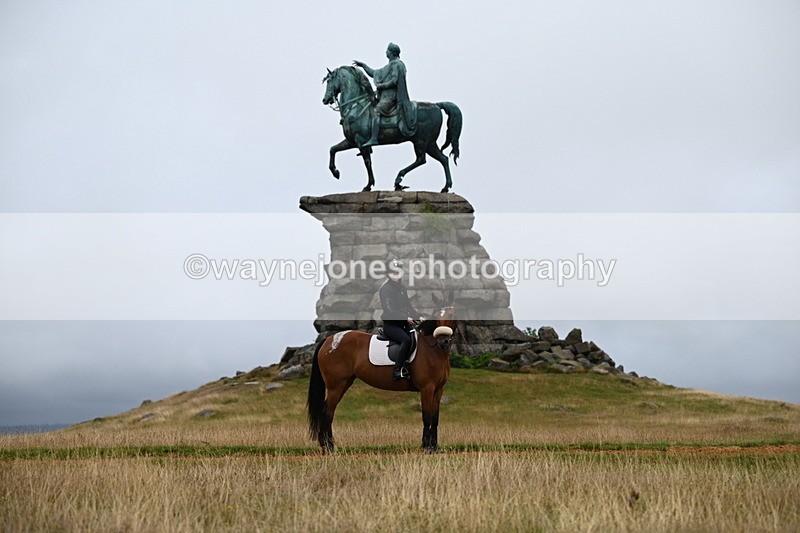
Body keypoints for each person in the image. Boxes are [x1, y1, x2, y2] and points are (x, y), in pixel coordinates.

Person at [353, 42, 417, 147]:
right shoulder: (389, 66)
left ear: (392, 52)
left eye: (387, 50)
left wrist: (382, 86)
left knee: (376, 111)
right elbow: (374, 73)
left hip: (391, 97)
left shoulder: (397, 64)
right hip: (384, 97)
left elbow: (394, 81)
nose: (385, 52)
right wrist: (363, 65)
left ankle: (374, 138)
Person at [379, 259, 424, 380]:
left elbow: (409, 308)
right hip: (391, 326)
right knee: (406, 341)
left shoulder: (402, 289)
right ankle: (397, 371)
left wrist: (419, 317)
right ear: (388, 273)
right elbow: (390, 310)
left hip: (403, 325)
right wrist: (405, 318)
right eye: (392, 272)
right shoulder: (386, 289)